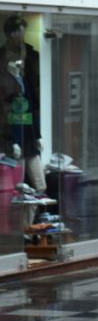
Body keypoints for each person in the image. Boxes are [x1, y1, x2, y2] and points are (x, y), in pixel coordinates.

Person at [0, 16, 44, 194]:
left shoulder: (31, 56)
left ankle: (34, 218)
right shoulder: (3, 62)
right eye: (16, 32)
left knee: (39, 184)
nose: (20, 36)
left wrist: (38, 133)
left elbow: (34, 98)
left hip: (29, 129)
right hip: (11, 130)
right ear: (9, 34)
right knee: (18, 184)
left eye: (22, 31)